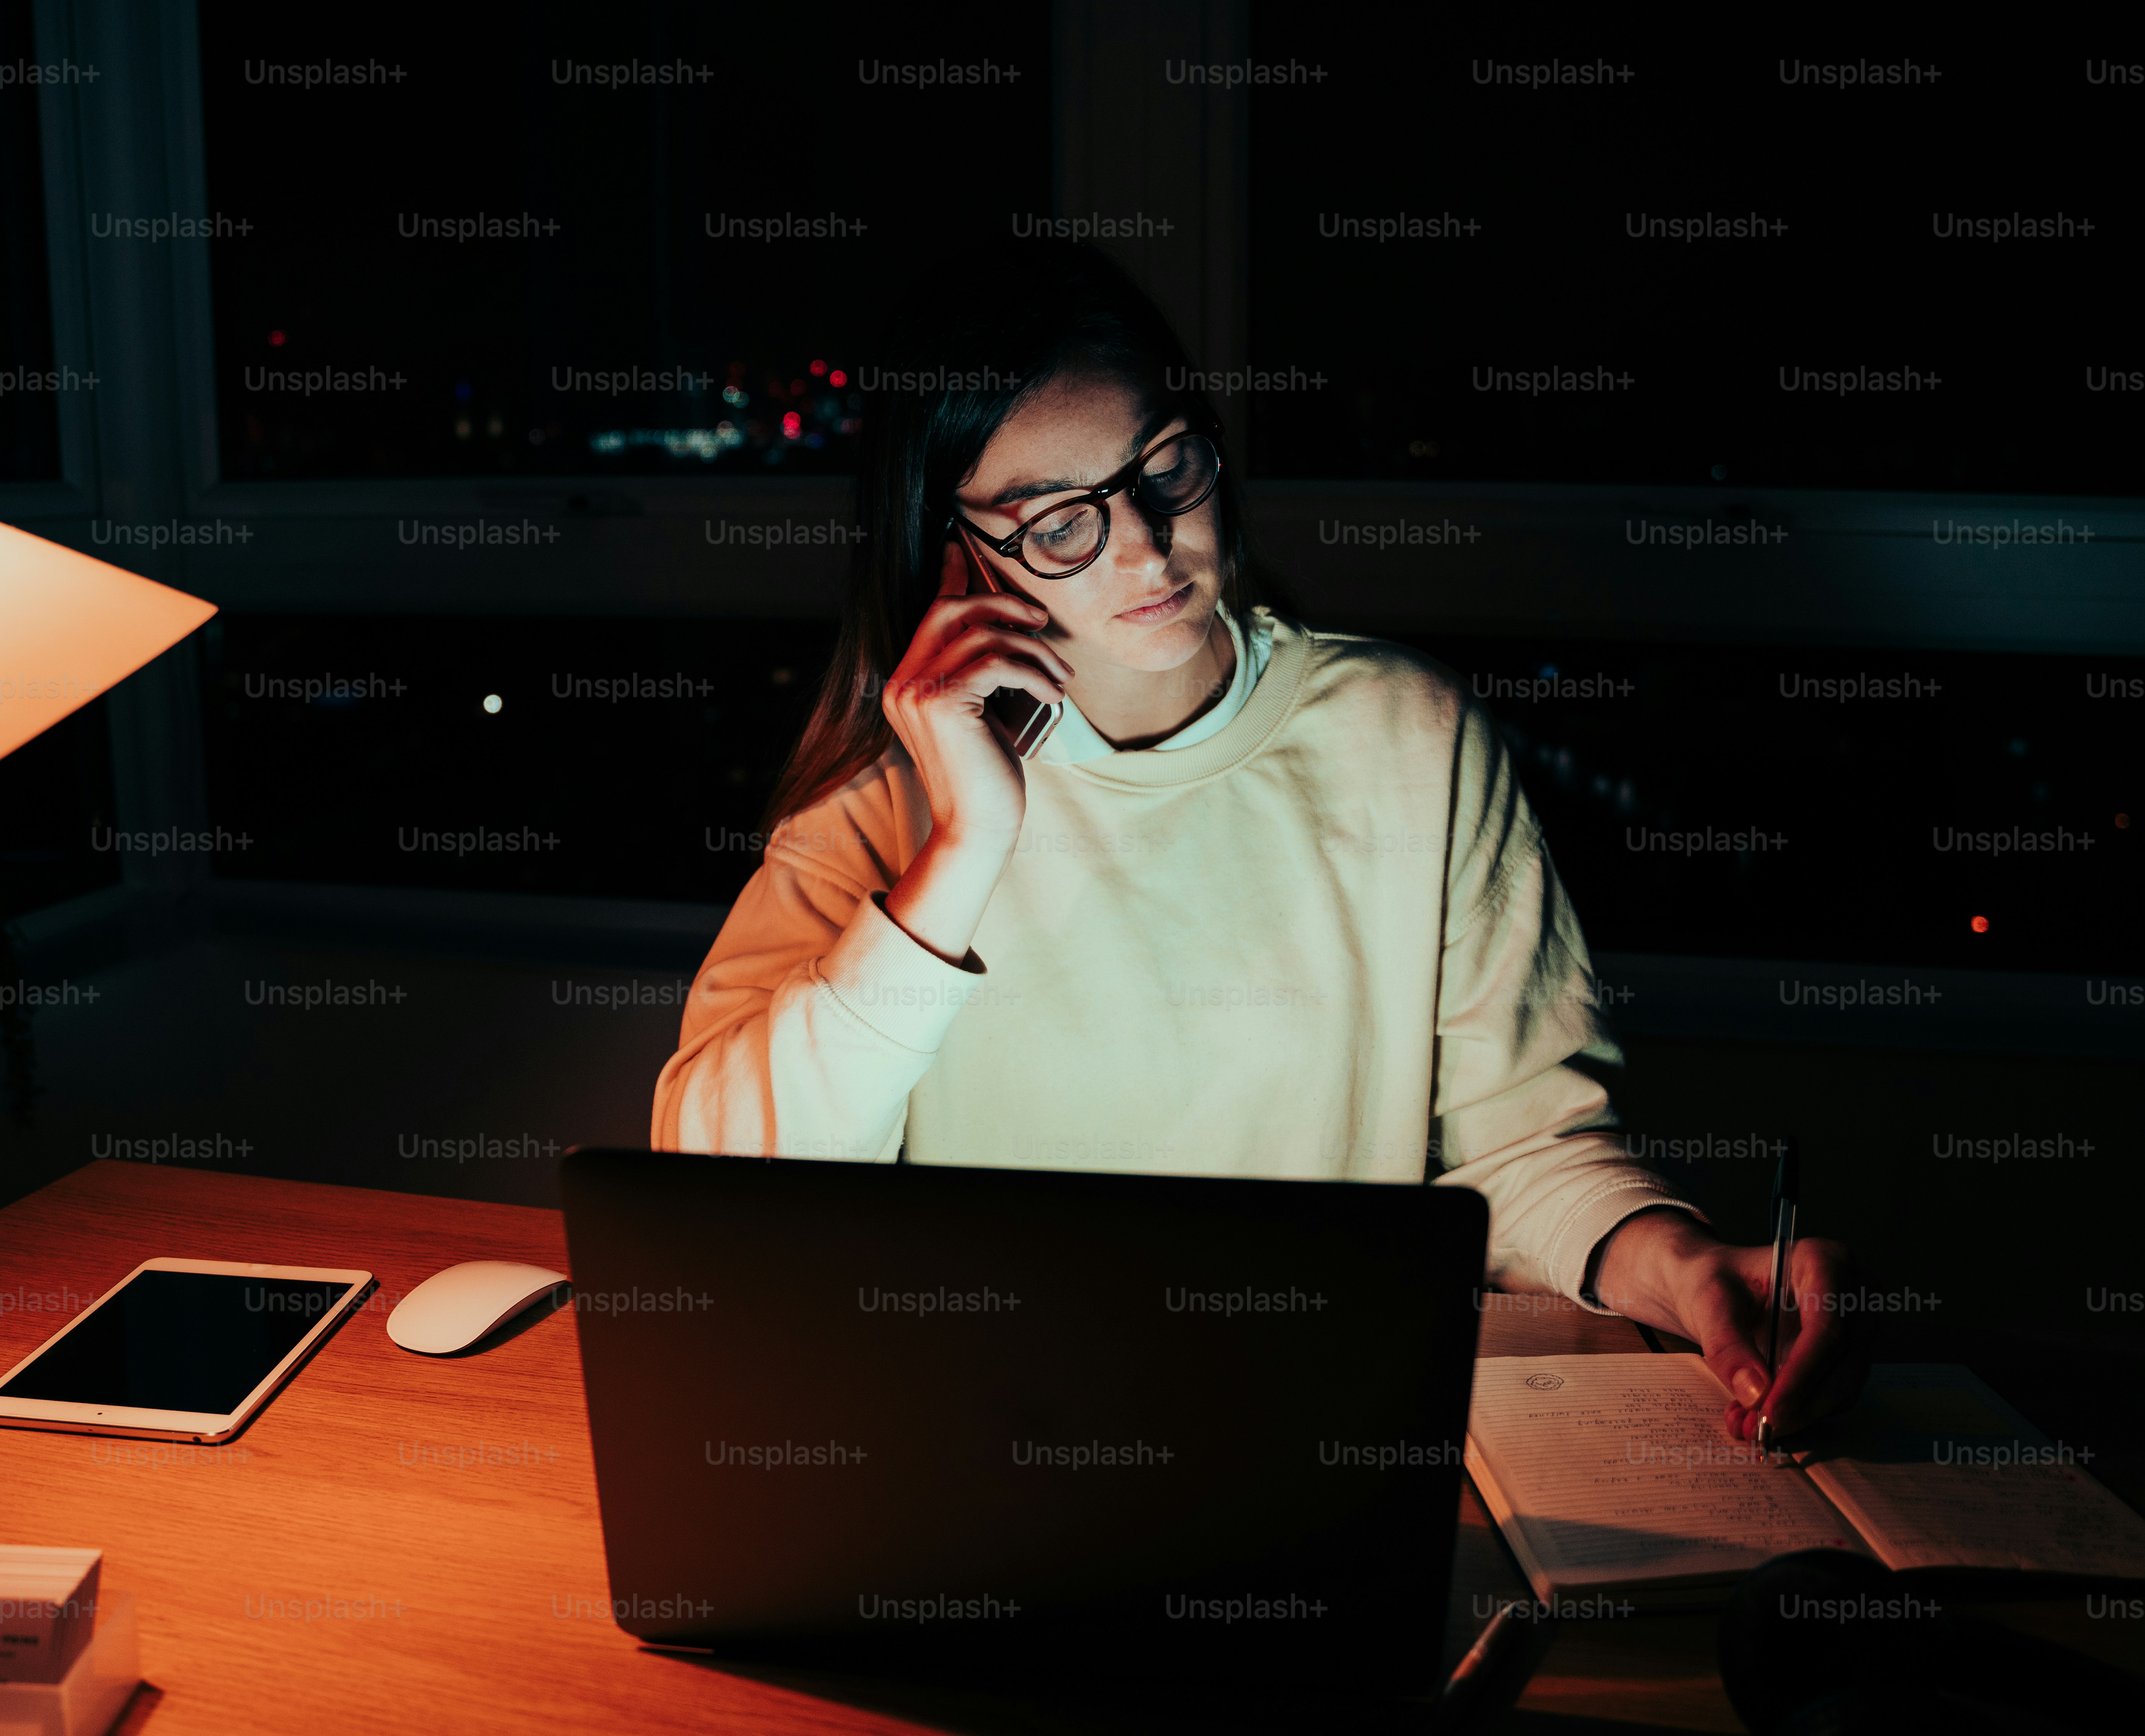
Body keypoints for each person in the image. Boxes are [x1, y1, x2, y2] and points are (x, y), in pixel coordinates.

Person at [654, 241, 1865, 1443]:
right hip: (986, 1435)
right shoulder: (891, 800)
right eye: (1059, 523)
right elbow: (720, 1195)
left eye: (1164, 467)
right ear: (957, 549)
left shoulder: (1410, 739)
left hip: (1313, 1431)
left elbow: (1523, 1142)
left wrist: (1677, 1262)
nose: (1143, 543)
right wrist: (965, 847)